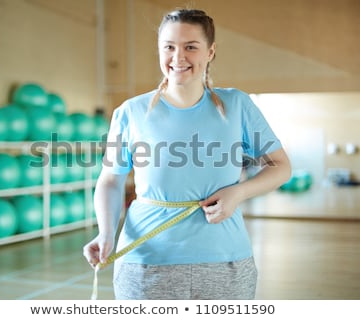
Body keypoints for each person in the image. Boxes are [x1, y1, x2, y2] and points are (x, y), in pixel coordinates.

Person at [83, 8, 291, 300]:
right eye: (169, 47)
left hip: (225, 263)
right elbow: (110, 180)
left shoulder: (237, 105)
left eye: (190, 47)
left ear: (211, 51)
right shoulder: (131, 112)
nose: (178, 57)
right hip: (145, 263)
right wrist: (105, 233)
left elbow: (280, 166)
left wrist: (238, 193)